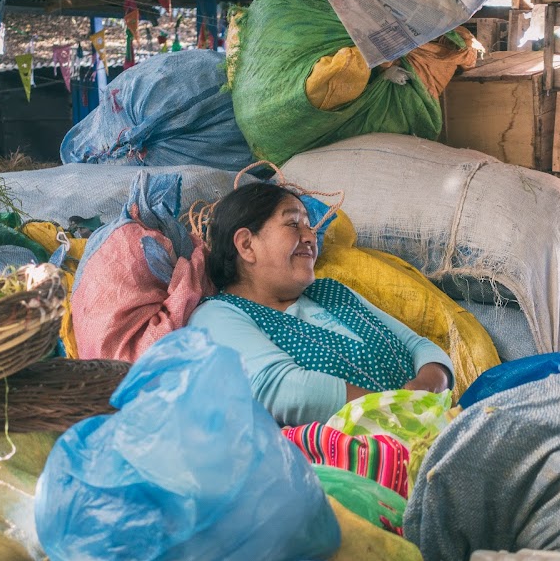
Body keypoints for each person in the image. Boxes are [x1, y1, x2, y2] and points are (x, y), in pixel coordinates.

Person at [187, 182, 454, 426]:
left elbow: (418, 345)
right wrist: (400, 414)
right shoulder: (217, 315)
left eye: (310, 227)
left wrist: (428, 388)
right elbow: (283, 391)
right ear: (246, 245)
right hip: (357, 461)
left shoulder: (331, 291)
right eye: (294, 224)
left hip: (431, 427)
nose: (310, 237)